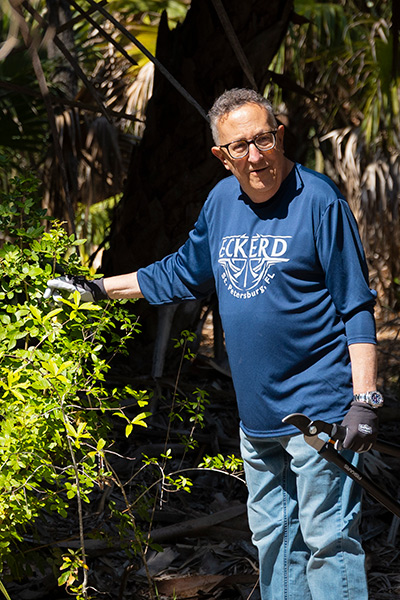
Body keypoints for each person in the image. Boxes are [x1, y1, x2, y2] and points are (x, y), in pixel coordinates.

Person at [45, 88, 383, 600]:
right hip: (258, 419)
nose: (255, 156)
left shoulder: (319, 200)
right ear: (221, 156)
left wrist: (364, 400)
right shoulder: (221, 202)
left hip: (320, 414)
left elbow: (355, 305)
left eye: (263, 139)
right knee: (275, 542)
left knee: (328, 542)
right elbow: (182, 271)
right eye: (239, 146)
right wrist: (96, 289)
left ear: (279, 135)